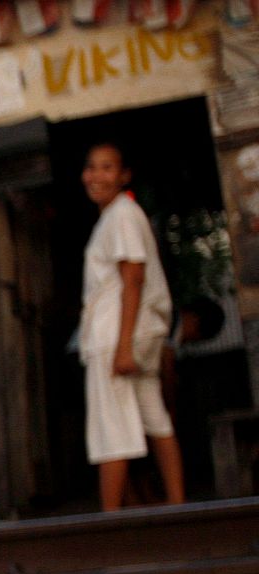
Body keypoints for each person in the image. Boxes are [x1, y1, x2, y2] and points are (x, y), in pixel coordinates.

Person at [78, 142, 183, 511]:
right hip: (137, 331)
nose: (97, 176)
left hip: (117, 335)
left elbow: (133, 277)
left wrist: (123, 345)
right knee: (155, 418)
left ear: (124, 176)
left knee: (112, 432)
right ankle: (177, 506)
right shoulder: (116, 216)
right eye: (92, 167)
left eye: (108, 168)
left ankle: (111, 523)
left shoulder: (122, 214)